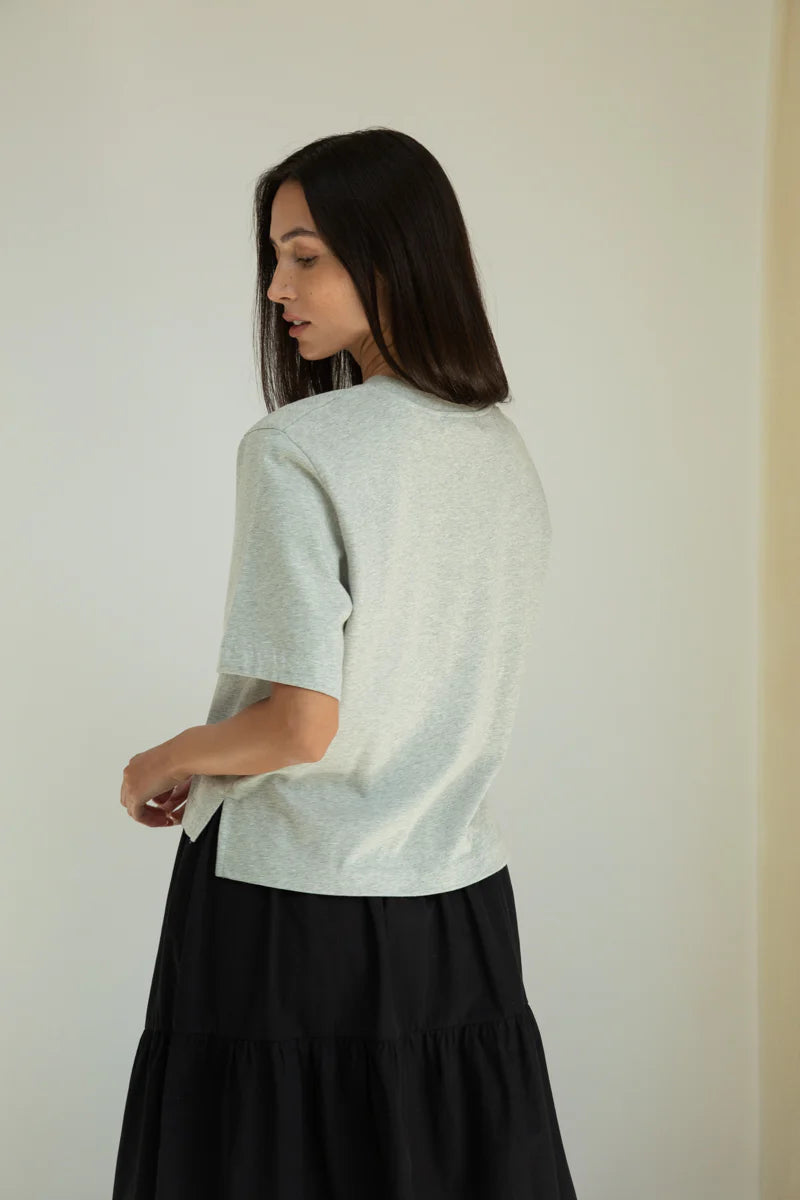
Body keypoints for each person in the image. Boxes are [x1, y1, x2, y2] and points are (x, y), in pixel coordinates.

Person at [112, 126, 579, 1199]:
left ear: (391, 253)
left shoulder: (298, 447)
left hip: (288, 908)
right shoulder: (498, 450)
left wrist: (163, 759)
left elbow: (299, 728)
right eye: (274, 258)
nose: (278, 287)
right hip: (454, 901)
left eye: (306, 256)